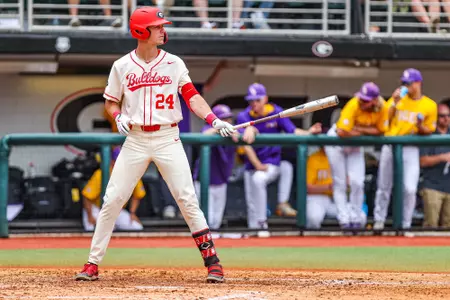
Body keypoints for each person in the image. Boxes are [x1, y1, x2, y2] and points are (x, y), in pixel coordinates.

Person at [75, 6, 235, 283]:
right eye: (157, 26)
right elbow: (111, 101)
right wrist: (118, 115)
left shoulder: (174, 63)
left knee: (187, 199)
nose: (163, 29)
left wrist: (213, 119)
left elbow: (192, 96)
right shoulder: (122, 65)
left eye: (162, 25)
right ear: (140, 31)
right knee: (112, 200)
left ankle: (213, 263)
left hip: (167, 137)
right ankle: (92, 263)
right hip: (135, 139)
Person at [235, 83, 322, 234]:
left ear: (265, 99)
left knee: (261, 178)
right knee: (251, 204)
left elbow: (293, 131)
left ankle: (264, 223)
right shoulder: (244, 116)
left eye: (257, 100)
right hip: (252, 165)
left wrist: (309, 132)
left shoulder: (276, 112)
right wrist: (256, 162)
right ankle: (253, 235)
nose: (254, 104)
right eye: (251, 101)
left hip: (271, 163)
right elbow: (244, 144)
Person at [373, 68, 437, 230]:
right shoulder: (397, 100)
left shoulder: (429, 105)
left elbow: (430, 130)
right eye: (404, 83)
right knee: (383, 186)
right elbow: (383, 120)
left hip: (410, 147)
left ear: (418, 83)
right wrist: (393, 102)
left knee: (409, 188)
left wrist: (421, 126)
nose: (406, 86)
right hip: (391, 145)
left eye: (409, 83)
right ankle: (378, 222)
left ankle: (405, 224)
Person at [325, 82, 389, 229]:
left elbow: (381, 130)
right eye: (361, 98)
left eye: (366, 100)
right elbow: (341, 132)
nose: (362, 101)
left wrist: (358, 129)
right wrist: (367, 130)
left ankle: (355, 217)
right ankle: (344, 219)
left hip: (354, 145)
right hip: (337, 144)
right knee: (340, 183)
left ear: (374, 100)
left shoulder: (383, 107)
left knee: (357, 182)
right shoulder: (354, 104)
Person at [193, 104, 237, 232]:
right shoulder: (209, 129)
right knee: (208, 220)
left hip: (221, 180)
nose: (227, 122)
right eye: (224, 119)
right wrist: (218, 128)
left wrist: (249, 131)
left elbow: (246, 134)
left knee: (216, 221)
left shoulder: (232, 130)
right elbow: (204, 135)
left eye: (229, 119)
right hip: (204, 182)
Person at [81, 147, 144, 232]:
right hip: (96, 209)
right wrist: (90, 216)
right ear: (112, 162)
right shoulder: (101, 174)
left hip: (116, 210)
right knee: (96, 230)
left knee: (136, 227)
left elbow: (137, 195)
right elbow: (86, 197)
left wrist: (132, 213)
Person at [419, 103, 450, 228]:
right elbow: (423, 161)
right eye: (442, 116)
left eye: (448, 115)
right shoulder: (429, 133)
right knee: (430, 226)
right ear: (436, 118)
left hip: (449, 186)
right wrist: (443, 157)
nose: (446, 119)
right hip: (432, 186)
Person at [306, 147, 337, 229]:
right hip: (318, 198)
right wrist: (329, 187)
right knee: (314, 218)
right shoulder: (314, 158)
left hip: (338, 199)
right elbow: (308, 188)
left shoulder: (341, 156)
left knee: (359, 218)